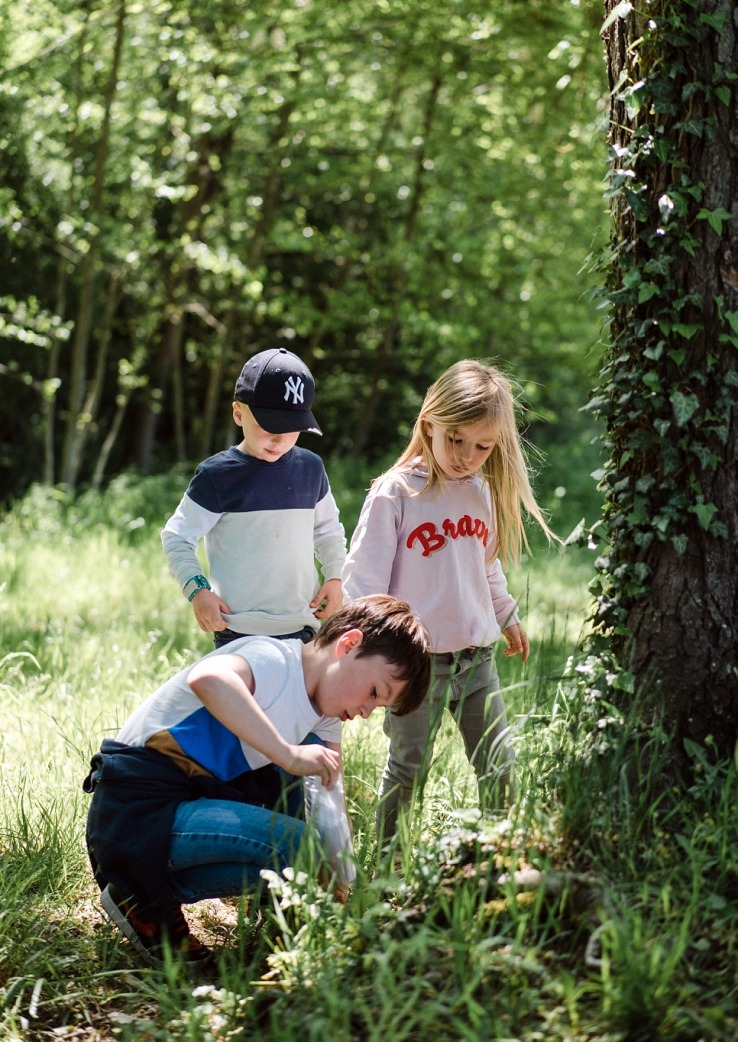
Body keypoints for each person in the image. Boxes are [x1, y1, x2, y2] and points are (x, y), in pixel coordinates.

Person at [83, 595, 432, 963]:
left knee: (309, 824)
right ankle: (137, 892)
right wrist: (288, 753)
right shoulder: (276, 660)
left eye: (377, 708)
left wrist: (343, 881)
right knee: (298, 843)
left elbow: (332, 799)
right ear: (348, 644)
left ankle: (161, 896)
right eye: (374, 693)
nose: (365, 712)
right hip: (137, 811)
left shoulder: (324, 713)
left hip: (185, 808)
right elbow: (209, 678)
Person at [343, 360, 556, 842]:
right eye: (455, 439)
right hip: (416, 664)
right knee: (408, 768)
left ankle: (499, 856)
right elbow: (364, 578)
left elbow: (486, 565)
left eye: (482, 446)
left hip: (477, 658)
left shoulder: (482, 492)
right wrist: (360, 647)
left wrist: (507, 615)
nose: (466, 455)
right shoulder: (396, 492)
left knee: (499, 765)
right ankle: (388, 864)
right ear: (429, 425)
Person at [161, 347, 348, 649]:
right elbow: (176, 537)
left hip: (304, 626)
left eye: (293, 429)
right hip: (237, 629)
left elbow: (328, 531)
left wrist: (335, 577)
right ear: (238, 412)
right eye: (269, 426)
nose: (280, 440)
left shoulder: (311, 468)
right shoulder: (217, 476)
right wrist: (197, 591)